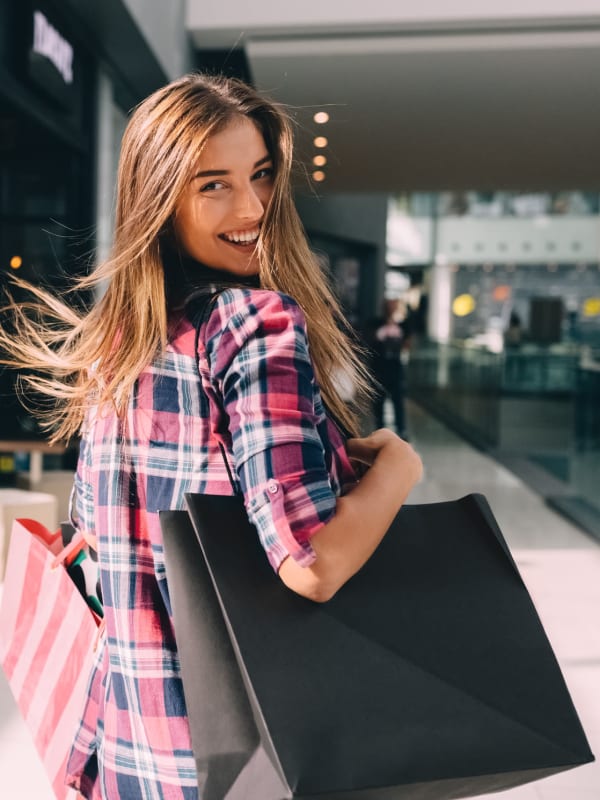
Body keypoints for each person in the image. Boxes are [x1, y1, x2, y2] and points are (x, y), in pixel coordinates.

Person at [0, 74, 422, 799]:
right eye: (213, 186)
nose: (252, 208)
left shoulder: (122, 340)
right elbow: (311, 563)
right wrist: (398, 470)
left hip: (128, 753)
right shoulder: (256, 326)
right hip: (250, 760)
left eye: (260, 177)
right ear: (160, 199)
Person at [367, 297, 412, 438]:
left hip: (395, 368)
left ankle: (401, 429)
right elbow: (371, 339)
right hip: (380, 367)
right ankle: (380, 428)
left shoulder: (403, 326)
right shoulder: (375, 324)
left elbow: (407, 344)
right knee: (379, 401)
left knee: (398, 400)